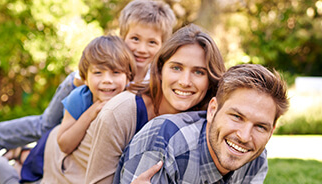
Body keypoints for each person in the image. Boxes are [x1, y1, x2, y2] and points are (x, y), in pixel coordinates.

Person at [0, 0, 176, 183]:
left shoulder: (152, 77)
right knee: (45, 126)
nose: (141, 48)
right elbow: (92, 80)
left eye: (152, 42)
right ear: (122, 36)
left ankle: (19, 153)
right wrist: (92, 87)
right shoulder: (95, 78)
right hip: (78, 84)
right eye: (135, 39)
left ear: (163, 45)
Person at [42, 23, 226, 183]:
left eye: (199, 72)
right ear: (160, 69)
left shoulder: (206, 120)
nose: (185, 81)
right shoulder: (121, 111)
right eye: (176, 68)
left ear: (210, 79)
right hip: (60, 166)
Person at [0, 34, 137, 184]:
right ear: (85, 78)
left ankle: (19, 151)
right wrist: (91, 112)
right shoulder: (79, 98)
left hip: (73, 165)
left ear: (128, 77)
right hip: (48, 155)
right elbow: (64, 144)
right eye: (98, 73)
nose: (107, 80)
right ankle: (1, 157)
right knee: (23, 175)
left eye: (115, 72)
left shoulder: (130, 101)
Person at [115, 64, 290, 184]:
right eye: (236, 116)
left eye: (260, 126)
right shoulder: (164, 140)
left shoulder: (256, 160)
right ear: (213, 110)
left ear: (272, 131)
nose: (244, 137)